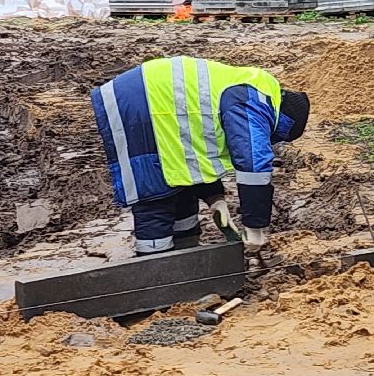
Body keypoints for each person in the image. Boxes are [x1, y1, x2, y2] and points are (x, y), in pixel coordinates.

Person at [91, 57, 311, 256]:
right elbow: (253, 165)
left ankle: (186, 259)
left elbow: (196, 153)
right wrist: (255, 228)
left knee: (182, 183)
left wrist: (214, 197)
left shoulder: (257, 90)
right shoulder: (254, 105)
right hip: (138, 105)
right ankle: (155, 272)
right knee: (155, 195)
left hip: (151, 104)